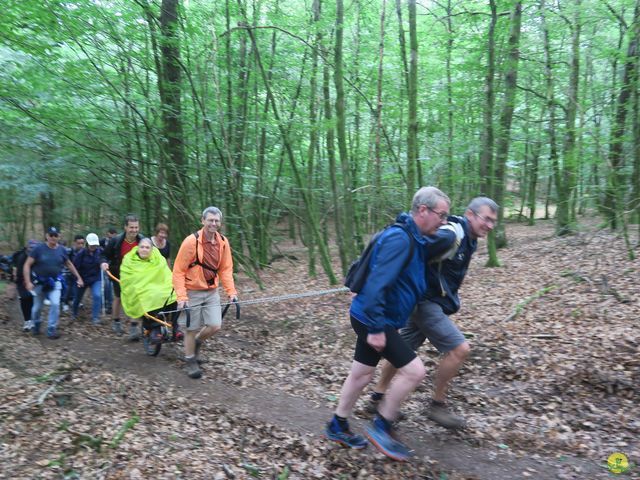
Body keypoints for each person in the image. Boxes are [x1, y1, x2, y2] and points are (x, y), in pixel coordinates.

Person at [325, 186, 450, 462]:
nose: (443, 221)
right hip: (373, 318)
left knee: (362, 374)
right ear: (422, 211)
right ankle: (381, 426)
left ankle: (338, 425)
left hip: (371, 316)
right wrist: (378, 328)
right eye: (441, 215)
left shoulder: (414, 238)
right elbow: (376, 285)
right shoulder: (401, 239)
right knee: (415, 372)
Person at [367, 197, 499, 430]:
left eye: (493, 222)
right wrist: (389, 275)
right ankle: (437, 405)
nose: (489, 225)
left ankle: (377, 399)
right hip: (426, 303)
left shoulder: (469, 239)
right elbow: (413, 246)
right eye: (486, 219)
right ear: (470, 214)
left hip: (423, 301)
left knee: (402, 351)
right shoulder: (451, 235)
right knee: (460, 350)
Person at [172, 207, 238, 379]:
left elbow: (225, 269)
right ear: (203, 221)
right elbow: (178, 271)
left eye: (216, 221)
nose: (213, 223)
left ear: (220, 223)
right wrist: (181, 296)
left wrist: (231, 292)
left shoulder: (223, 242)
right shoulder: (190, 242)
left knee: (215, 325)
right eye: (210, 220)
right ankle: (190, 359)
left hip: (211, 290)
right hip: (192, 291)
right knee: (191, 328)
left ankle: (195, 345)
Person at [23, 227, 84, 339]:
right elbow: (27, 265)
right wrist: (27, 282)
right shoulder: (38, 249)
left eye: (55, 235)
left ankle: (51, 329)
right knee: (36, 308)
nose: (53, 237)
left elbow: (69, 264)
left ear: (58, 237)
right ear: (47, 236)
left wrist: (78, 277)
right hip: (39, 282)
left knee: (55, 304)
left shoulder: (61, 250)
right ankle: (36, 324)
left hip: (55, 281)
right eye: (51, 235)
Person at [119, 237, 178, 343]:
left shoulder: (158, 258)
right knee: (150, 295)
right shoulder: (129, 260)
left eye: (147, 247)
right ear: (137, 248)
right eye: (142, 247)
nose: (144, 249)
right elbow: (127, 278)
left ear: (151, 250)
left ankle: (176, 328)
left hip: (158, 287)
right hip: (140, 291)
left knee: (174, 295)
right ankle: (155, 329)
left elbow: (166, 274)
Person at [101, 214, 144, 340]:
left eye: (136, 227)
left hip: (136, 275)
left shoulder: (142, 240)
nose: (134, 230)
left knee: (136, 298)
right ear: (125, 227)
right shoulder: (116, 241)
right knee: (119, 297)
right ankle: (116, 322)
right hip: (118, 274)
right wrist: (104, 262)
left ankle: (134, 327)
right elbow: (104, 255)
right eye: (131, 227)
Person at [72, 233, 106, 325]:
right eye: (91, 244)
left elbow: (104, 260)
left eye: (94, 244)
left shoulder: (100, 251)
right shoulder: (81, 254)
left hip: (95, 278)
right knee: (77, 298)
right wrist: (79, 279)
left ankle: (95, 318)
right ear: (87, 244)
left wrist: (104, 264)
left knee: (97, 295)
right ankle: (74, 313)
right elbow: (74, 268)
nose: (93, 246)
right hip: (82, 278)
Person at [12, 239, 39, 330]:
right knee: (24, 299)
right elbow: (17, 269)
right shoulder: (21, 256)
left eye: (34, 248)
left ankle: (31, 319)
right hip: (21, 281)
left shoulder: (37, 256)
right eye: (31, 247)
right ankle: (27, 321)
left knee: (31, 299)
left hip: (33, 280)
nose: (32, 249)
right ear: (27, 247)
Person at [61, 235, 86, 313]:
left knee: (78, 289)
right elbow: (65, 262)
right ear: (74, 243)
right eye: (79, 243)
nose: (81, 245)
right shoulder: (69, 251)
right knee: (68, 288)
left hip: (79, 273)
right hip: (68, 273)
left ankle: (76, 301)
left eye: (82, 243)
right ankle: (65, 303)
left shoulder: (84, 252)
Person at [100, 228, 118, 315]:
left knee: (110, 285)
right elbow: (101, 253)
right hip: (105, 265)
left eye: (114, 234)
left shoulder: (117, 241)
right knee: (106, 284)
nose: (113, 236)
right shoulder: (103, 241)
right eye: (111, 234)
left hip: (113, 266)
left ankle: (110, 305)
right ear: (108, 234)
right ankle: (105, 303)